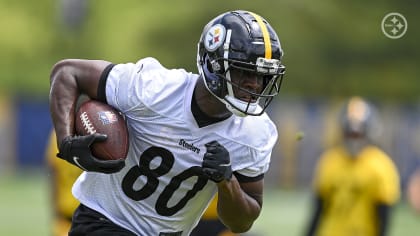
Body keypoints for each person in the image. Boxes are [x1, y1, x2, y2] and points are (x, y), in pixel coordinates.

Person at [49, 10, 286, 236]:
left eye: (262, 76)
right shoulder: (154, 89)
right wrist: (66, 140)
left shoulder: (255, 133)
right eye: (245, 72)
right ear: (214, 65)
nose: (255, 85)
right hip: (104, 220)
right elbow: (67, 73)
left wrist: (227, 181)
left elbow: (242, 222)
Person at [304, 96, 400, 236]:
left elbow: (384, 216)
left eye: (358, 134)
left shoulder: (381, 166)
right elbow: (318, 210)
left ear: (369, 131)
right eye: (350, 133)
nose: (354, 139)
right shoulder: (329, 161)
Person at [46, 129, 82, 236]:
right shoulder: (98, 130)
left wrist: (54, 211)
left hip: (65, 213)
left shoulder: (57, 134)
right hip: (92, 213)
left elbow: (53, 175)